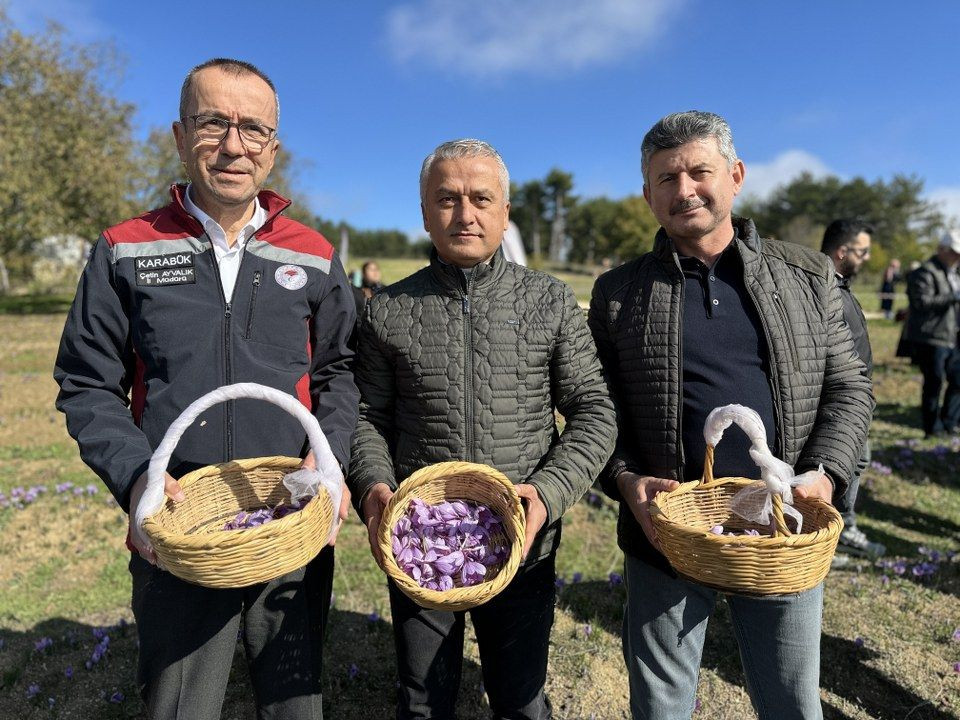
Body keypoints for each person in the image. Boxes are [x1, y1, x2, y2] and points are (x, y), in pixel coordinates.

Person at [54, 58, 359, 719]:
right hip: (179, 518)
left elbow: (340, 372)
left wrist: (328, 462)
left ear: (273, 149)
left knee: (294, 702)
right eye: (212, 121)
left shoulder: (313, 255)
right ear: (178, 134)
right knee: (182, 705)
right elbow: (85, 381)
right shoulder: (124, 248)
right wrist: (136, 475)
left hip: (289, 510)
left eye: (253, 128)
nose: (232, 144)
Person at [588, 111, 873, 720]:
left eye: (699, 171)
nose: (684, 189)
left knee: (791, 700)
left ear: (736, 175)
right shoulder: (618, 293)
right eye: (666, 178)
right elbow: (598, 408)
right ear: (647, 193)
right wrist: (626, 479)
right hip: (668, 523)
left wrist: (823, 475)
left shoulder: (808, 276)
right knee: (660, 702)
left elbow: (850, 389)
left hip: (783, 523)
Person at [349, 139, 615, 719]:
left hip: (524, 542)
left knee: (520, 701)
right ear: (424, 212)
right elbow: (367, 417)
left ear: (505, 212)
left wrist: (546, 495)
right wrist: (373, 486)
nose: (464, 214)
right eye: (446, 199)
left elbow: (594, 408)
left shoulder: (548, 301)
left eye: (480, 198)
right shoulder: (387, 310)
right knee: (423, 702)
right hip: (420, 543)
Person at [820, 219, 886, 561]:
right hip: (838, 402)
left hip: (856, 399)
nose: (866, 258)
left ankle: (839, 530)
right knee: (845, 463)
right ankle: (832, 533)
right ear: (842, 251)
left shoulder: (840, 285)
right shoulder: (822, 289)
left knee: (858, 460)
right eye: (862, 252)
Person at [904, 230, 960, 436]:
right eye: (954, 253)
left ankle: (950, 421)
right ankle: (932, 428)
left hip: (951, 335)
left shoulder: (953, 272)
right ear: (942, 250)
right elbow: (921, 302)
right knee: (934, 383)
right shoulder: (925, 272)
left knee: (957, 380)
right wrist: (952, 297)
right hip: (930, 337)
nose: (958, 257)